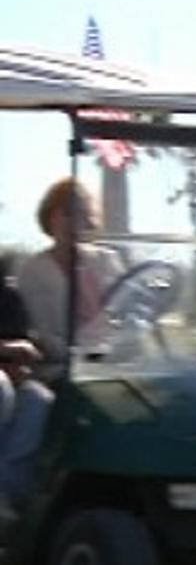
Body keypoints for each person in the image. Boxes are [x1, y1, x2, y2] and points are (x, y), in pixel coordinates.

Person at [17, 179, 123, 372]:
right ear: (51, 216)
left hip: (115, 362)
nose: (74, 222)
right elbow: (42, 333)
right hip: (63, 367)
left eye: (82, 214)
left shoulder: (106, 260)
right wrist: (84, 355)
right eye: (67, 214)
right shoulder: (33, 271)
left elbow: (124, 310)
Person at [1, 257, 55, 521]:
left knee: (38, 399)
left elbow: (25, 339)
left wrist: (23, 358)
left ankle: (10, 491)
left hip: (12, 377)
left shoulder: (8, 297)